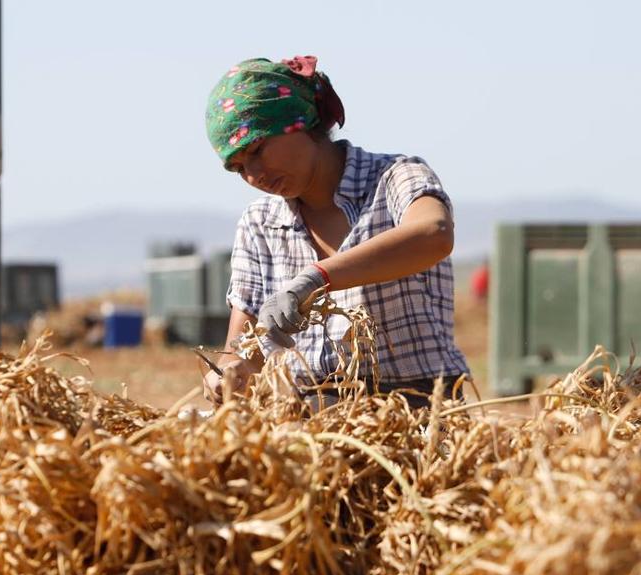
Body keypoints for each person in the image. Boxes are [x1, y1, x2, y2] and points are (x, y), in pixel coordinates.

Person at [200, 55, 469, 408]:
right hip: (315, 419)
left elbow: (434, 233)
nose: (254, 175)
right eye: (238, 168)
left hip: (418, 407)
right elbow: (243, 347)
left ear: (300, 123)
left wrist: (316, 278)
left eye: (257, 149)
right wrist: (231, 371)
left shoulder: (395, 177)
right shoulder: (259, 224)